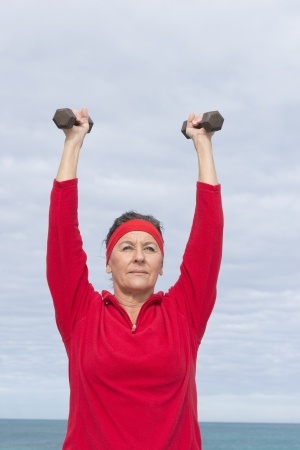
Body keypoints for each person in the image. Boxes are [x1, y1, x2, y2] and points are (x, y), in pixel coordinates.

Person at [46, 107, 223, 450]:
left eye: (150, 249)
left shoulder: (184, 313)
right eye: (126, 247)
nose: (139, 256)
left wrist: (203, 144)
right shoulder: (81, 314)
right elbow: (61, 238)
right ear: (108, 263)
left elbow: (209, 238)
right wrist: (73, 143)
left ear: (161, 264)